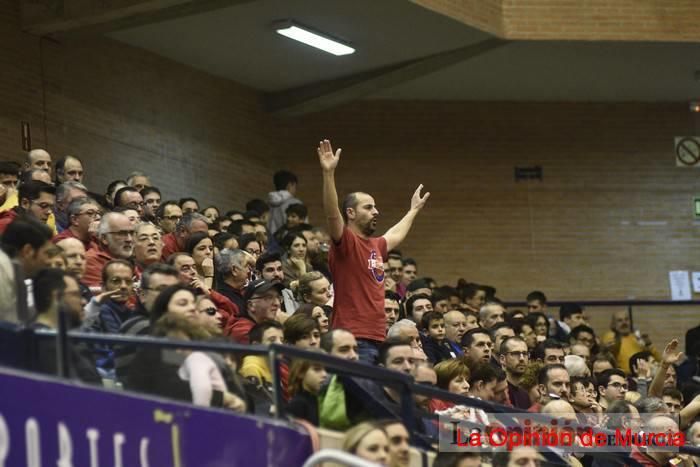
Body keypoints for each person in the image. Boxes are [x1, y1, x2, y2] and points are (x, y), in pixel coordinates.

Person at [318, 139, 429, 363]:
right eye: (368, 207)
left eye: (375, 207)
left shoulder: (376, 245)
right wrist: (328, 174)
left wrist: (413, 210)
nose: (376, 211)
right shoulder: (346, 241)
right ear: (350, 212)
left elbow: (395, 234)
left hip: (378, 336)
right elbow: (331, 213)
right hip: (353, 337)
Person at [83, 212, 134, 288]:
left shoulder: (131, 259)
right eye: (122, 233)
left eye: (132, 233)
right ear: (104, 238)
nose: (129, 239)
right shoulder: (90, 262)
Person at [286, 358, 328, 425]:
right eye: (317, 369)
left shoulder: (314, 399)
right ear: (301, 373)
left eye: (325, 370)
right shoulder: (297, 404)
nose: (325, 375)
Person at [268, 169, 302, 234]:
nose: (295, 190)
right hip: (290, 239)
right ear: (290, 185)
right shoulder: (296, 203)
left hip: (270, 240)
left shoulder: (267, 202)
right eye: (295, 187)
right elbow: (302, 226)